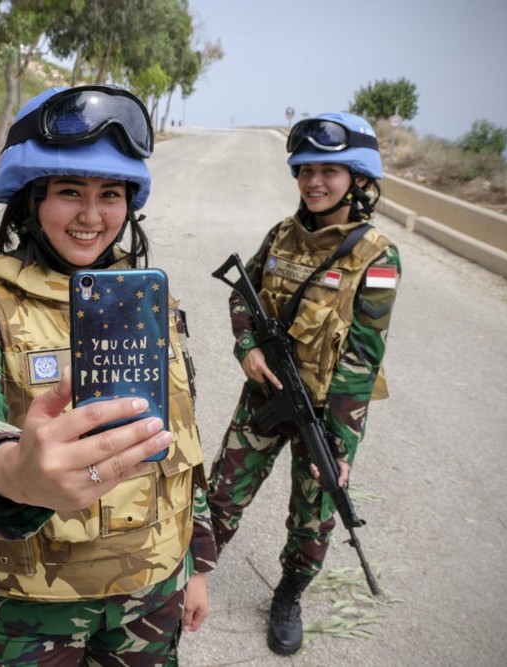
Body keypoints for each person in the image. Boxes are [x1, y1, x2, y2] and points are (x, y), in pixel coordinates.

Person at [0, 84, 216, 666]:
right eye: (69, 192)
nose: (92, 216)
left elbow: (183, 440)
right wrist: (17, 474)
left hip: (153, 590)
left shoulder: (152, 305)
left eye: (111, 194)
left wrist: (196, 563)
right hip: (38, 601)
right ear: (31, 201)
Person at [206, 112, 401, 655]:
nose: (314, 182)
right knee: (220, 496)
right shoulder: (281, 235)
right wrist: (246, 348)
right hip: (266, 397)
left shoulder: (376, 257)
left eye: (329, 171)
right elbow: (241, 293)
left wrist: (340, 445)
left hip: (325, 411)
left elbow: (362, 357)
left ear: (358, 179)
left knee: (313, 518)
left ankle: (289, 594)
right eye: (305, 170)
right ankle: (186, 580)